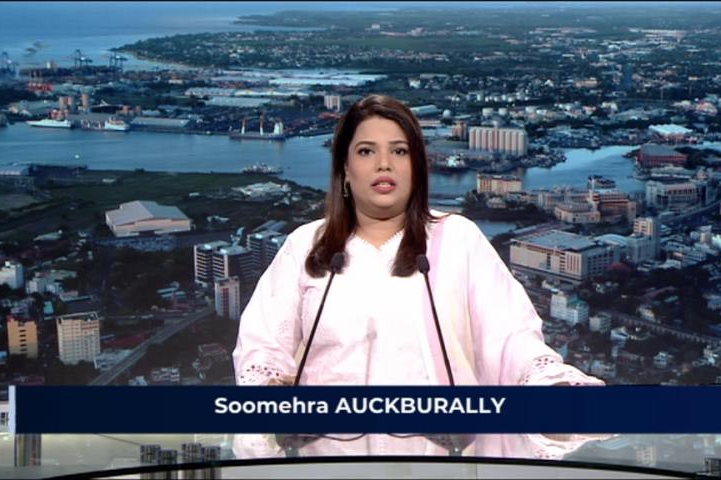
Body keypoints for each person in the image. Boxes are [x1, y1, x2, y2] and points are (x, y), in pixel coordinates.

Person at [232, 94, 603, 456]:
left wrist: (552, 389)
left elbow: (510, 339)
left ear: (417, 167)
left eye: (399, 151)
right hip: (327, 461)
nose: (384, 164)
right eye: (366, 151)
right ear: (345, 169)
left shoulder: (458, 239)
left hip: (439, 462)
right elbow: (263, 346)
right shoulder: (305, 245)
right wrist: (271, 394)